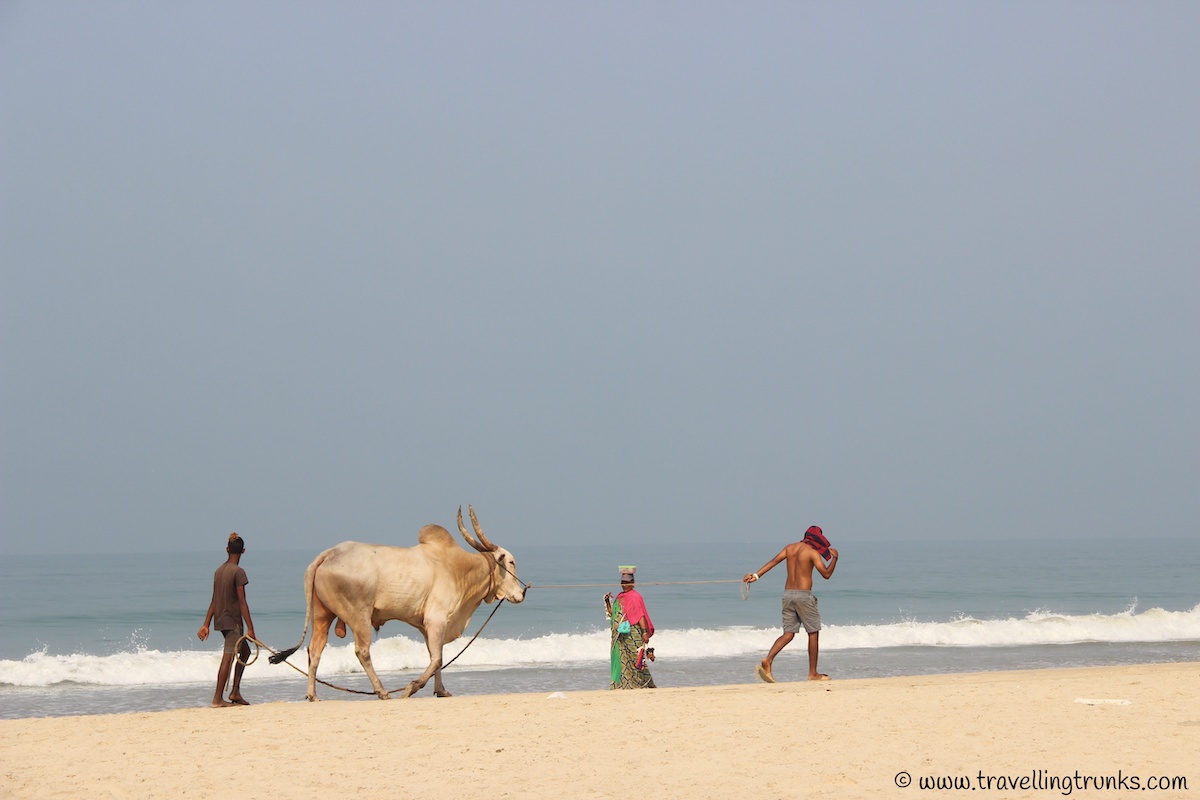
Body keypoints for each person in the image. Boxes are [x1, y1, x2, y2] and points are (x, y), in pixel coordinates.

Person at [743, 526, 839, 683]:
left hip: (787, 594)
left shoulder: (790, 548)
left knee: (788, 633)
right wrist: (835, 558)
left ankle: (768, 659)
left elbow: (773, 562)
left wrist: (755, 576)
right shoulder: (812, 552)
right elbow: (826, 574)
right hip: (804, 596)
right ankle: (813, 673)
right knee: (813, 632)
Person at [198, 533, 256, 707]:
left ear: (227, 549)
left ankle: (235, 691)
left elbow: (214, 599)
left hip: (221, 620)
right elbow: (242, 601)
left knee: (245, 652)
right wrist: (250, 628)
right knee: (228, 657)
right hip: (232, 621)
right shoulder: (238, 572)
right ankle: (217, 699)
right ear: (243, 551)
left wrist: (206, 624)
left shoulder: (219, 571)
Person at [603, 566, 656, 689]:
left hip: (633, 634)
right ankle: (623, 685)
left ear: (633, 583)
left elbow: (640, 615)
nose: (624, 585)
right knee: (622, 660)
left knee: (636, 659)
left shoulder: (635, 597)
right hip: (620, 636)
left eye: (627, 583)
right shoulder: (620, 596)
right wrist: (607, 602)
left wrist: (644, 632)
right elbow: (613, 615)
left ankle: (646, 684)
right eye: (623, 582)